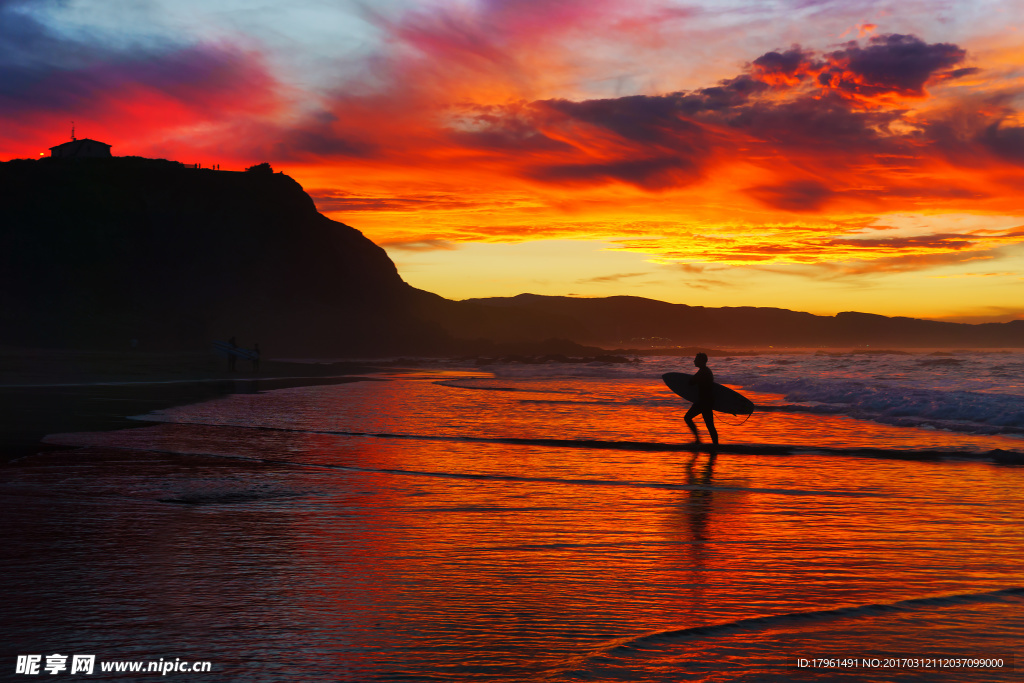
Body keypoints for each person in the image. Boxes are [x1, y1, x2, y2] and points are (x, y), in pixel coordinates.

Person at [684, 352, 719, 446]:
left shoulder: (703, 372)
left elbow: (691, 382)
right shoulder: (706, 371)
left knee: (688, 418)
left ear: (701, 361)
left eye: (696, 359)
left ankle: (698, 440)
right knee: (710, 425)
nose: (694, 361)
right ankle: (715, 445)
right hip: (707, 400)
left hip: (704, 401)